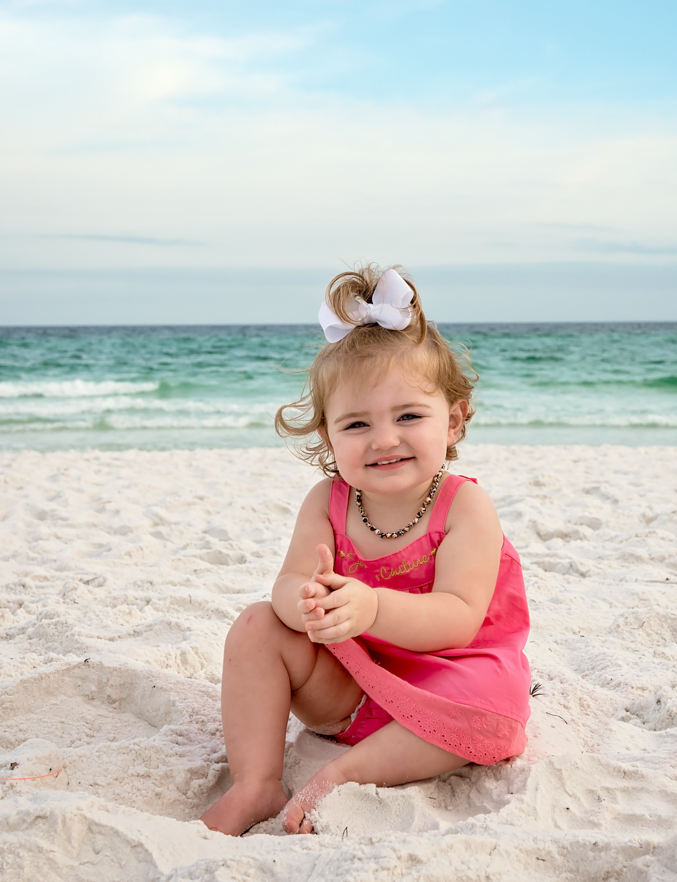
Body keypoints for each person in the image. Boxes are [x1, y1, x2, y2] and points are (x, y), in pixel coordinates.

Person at [199, 264, 532, 836]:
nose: (383, 439)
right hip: (349, 689)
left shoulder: (464, 507)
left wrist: (373, 607)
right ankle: (256, 783)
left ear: (452, 421)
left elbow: (458, 617)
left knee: (500, 702)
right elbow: (289, 580)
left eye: (408, 416)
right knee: (256, 625)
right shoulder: (327, 501)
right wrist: (303, 602)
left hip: (448, 679)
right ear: (328, 436)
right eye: (356, 424)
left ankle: (346, 775)